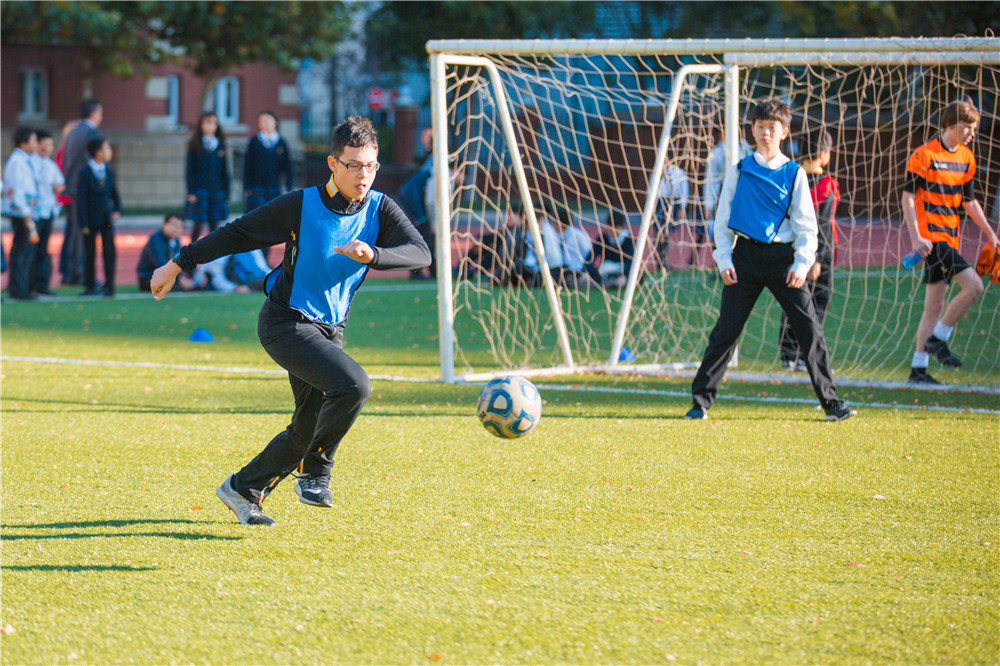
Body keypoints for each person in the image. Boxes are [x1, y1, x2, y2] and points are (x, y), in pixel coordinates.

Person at [149, 116, 431, 526]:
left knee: (305, 427)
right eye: (354, 165)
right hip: (285, 324)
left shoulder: (380, 208)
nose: (364, 175)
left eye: (371, 165)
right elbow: (238, 234)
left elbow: (420, 253)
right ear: (333, 164)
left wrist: (374, 255)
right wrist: (178, 263)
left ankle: (243, 488)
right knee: (354, 385)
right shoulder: (301, 204)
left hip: (329, 331)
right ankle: (316, 473)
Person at [685, 98, 856, 422]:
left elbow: (807, 226)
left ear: (784, 132)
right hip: (744, 259)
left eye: (772, 127)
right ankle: (700, 402)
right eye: (760, 126)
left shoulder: (795, 174)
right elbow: (722, 222)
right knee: (725, 331)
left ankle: (831, 403)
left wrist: (801, 264)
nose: (766, 132)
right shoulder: (739, 171)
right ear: (752, 130)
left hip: (784, 261)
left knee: (809, 329)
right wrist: (724, 260)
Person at [903, 98, 999, 385]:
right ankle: (939, 339)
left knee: (934, 306)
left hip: (951, 236)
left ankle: (918, 371)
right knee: (975, 286)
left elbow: (969, 202)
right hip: (932, 240)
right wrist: (916, 237)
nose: (971, 133)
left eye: (973, 128)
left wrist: (990, 233)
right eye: (967, 127)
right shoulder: (923, 155)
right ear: (950, 124)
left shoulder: (967, 157)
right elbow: (907, 197)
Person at [778, 129, 840, 370]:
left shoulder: (790, 178)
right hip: (815, 256)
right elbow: (822, 225)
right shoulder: (826, 185)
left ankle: (788, 354)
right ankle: (807, 356)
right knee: (818, 302)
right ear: (824, 154)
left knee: (793, 300)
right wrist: (818, 258)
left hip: (791, 250)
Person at [60, 99, 103, 286]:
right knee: (82, 232)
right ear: (94, 113)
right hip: (84, 190)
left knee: (73, 232)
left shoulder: (72, 132)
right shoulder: (92, 132)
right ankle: (80, 272)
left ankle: (70, 272)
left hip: (71, 187)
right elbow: (92, 161)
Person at [77, 137, 121, 297]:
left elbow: (114, 192)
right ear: (98, 152)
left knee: (109, 252)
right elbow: (81, 199)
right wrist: (83, 222)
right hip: (90, 218)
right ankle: (90, 286)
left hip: (106, 218)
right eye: (107, 149)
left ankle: (109, 286)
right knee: (90, 254)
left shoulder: (109, 170)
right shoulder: (85, 172)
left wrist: (118, 209)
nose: (109, 152)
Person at [2, 127, 40, 300]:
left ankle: (20, 286)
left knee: (24, 250)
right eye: (33, 141)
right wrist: (26, 214)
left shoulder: (24, 160)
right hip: (21, 212)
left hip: (26, 210)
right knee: (22, 251)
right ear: (24, 143)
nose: (36, 144)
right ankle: (18, 288)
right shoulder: (17, 162)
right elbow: (17, 191)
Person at [30, 129, 66, 296]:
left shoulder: (50, 165)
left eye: (50, 145)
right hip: (34, 212)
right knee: (31, 249)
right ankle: (28, 284)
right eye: (43, 145)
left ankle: (42, 284)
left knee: (43, 249)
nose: (46, 148)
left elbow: (60, 184)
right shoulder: (30, 163)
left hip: (48, 211)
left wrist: (57, 188)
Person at [186, 111, 230, 241]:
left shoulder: (221, 145)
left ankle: (215, 259)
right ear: (201, 125)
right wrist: (191, 191)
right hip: (200, 189)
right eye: (208, 123)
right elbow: (189, 170)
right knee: (198, 225)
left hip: (217, 189)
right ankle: (190, 258)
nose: (211, 126)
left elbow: (225, 171)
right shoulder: (195, 144)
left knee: (214, 225)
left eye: (214, 123)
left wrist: (226, 193)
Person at [703, 126, 753, 232]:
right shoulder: (715, 153)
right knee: (724, 227)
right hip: (724, 193)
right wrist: (709, 205)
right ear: (719, 133)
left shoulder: (743, 146)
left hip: (744, 191)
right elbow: (710, 180)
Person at [244, 110, 293, 213]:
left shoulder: (281, 143)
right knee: (255, 216)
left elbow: (288, 167)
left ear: (275, 122)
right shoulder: (254, 141)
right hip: (256, 186)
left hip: (274, 186)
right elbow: (247, 165)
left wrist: (288, 186)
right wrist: (247, 186)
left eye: (267, 120)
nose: (264, 123)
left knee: (273, 217)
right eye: (261, 121)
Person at [137, 213, 193, 292]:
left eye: (180, 227)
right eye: (174, 225)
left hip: (167, 275)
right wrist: (180, 278)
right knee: (179, 287)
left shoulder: (176, 241)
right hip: (149, 277)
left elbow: (181, 260)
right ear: (164, 225)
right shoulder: (155, 240)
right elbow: (161, 263)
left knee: (194, 283)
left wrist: (193, 274)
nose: (177, 229)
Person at [654, 158, 690, 270]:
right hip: (659, 203)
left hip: (672, 202)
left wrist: (682, 207)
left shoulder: (679, 173)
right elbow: (651, 190)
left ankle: (665, 260)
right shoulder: (657, 173)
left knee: (667, 232)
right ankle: (658, 261)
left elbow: (684, 191)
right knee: (658, 233)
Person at [549, 204, 597, 288]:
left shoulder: (578, 235)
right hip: (563, 268)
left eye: (554, 221)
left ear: (559, 222)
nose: (553, 224)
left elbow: (589, 254)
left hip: (578, 269)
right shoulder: (555, 235)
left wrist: (587, 271)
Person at [597, 209, 636, 289]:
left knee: (637, 275)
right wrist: (588, 272)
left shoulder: (629, 239)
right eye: (610, 228)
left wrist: (625, 275)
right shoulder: (603, 239)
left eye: (616, 228)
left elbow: (630, 260)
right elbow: (590, 257)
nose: (613, 231)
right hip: (607, 271)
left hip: (623, 271)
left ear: (622, 227)